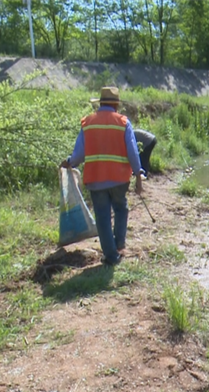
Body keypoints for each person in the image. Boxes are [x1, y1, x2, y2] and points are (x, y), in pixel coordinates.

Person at [60, 86, 143, 267]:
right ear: (115, 105)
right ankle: (119, 244)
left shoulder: (88, 123)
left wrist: (69, 162)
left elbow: (79, 154)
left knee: (103, 217)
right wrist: (138, 175)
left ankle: (111, 256)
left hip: (96, 179)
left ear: (101, 103)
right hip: (119, 178)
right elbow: (132, 151)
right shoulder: (122, 122)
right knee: (121, 209)